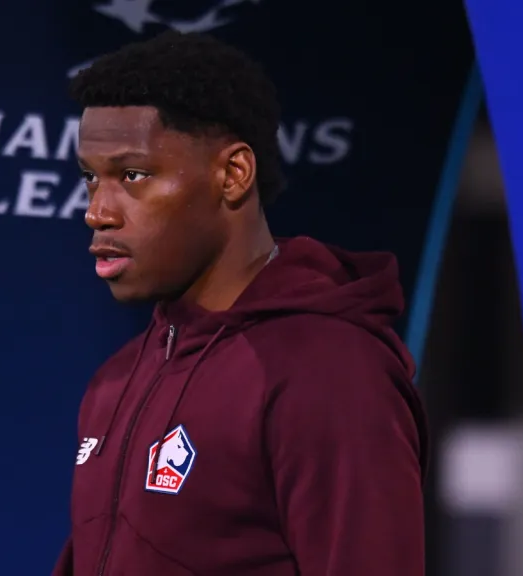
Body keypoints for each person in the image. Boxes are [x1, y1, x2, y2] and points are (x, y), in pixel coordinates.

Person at [53, 30, 427, 576]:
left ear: (232, 175)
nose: (98, 211)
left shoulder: (329, 374)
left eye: (132, 175)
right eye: (91, 179)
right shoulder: (115, 381)